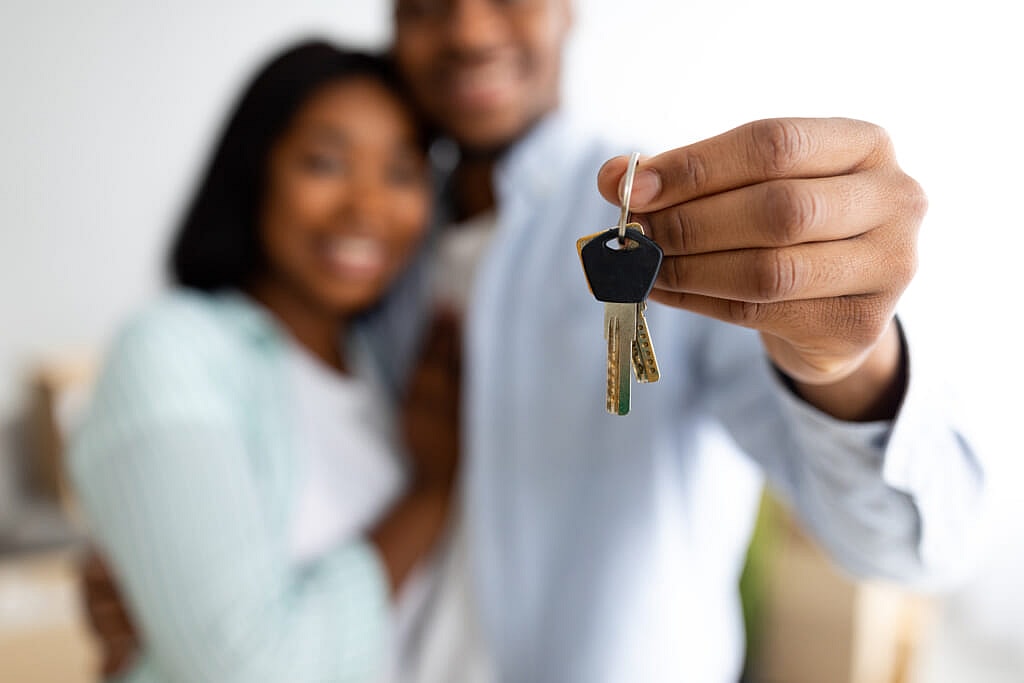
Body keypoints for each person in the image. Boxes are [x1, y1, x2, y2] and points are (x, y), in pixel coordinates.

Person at [84, 1, 986, 682]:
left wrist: (847, 361)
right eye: (429, 3)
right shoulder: (378, 267)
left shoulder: (673, 226)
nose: (471, 29)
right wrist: (164, 580)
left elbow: (914, 543)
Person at [68, 39, 474, 682]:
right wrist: (429, 494)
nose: (366, 207)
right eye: (325, 163)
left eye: (400, 173)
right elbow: (251, 670)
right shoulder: (172, 351)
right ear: (254, 170)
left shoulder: (383, 370)